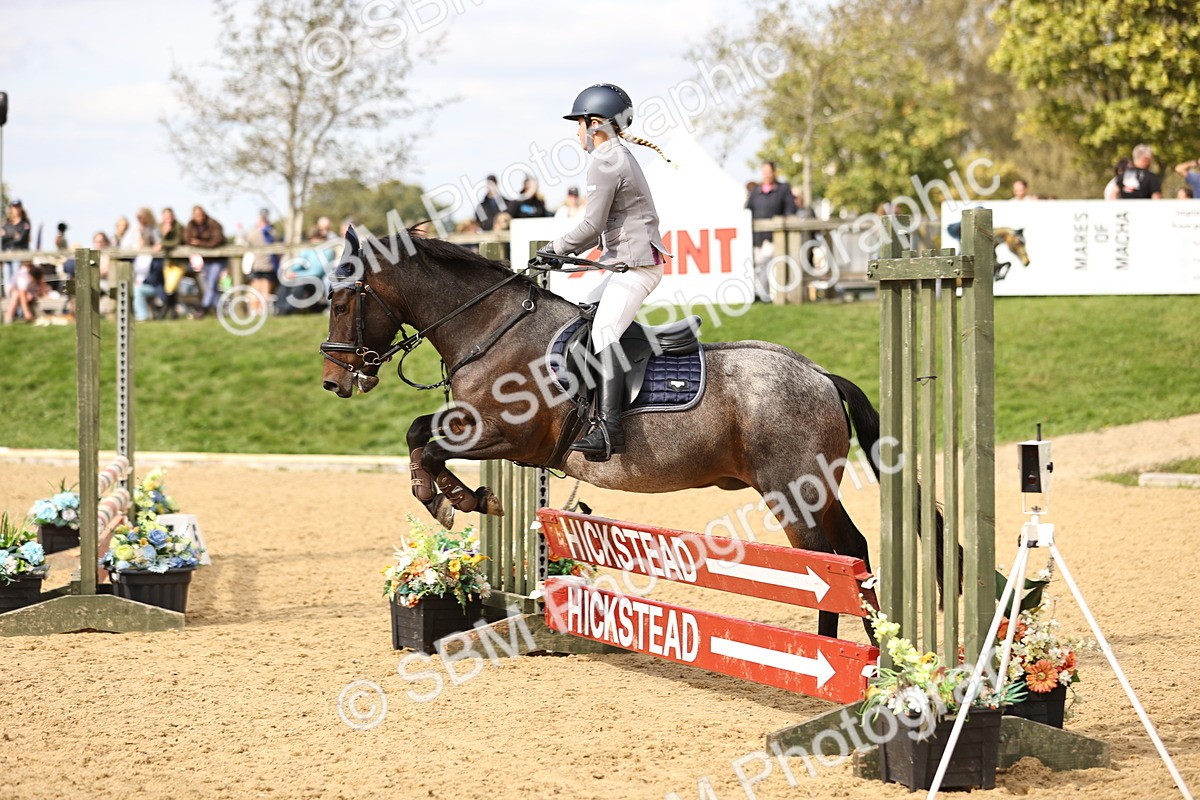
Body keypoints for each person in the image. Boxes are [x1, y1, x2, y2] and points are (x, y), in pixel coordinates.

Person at [538, 83, 672, 461]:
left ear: (595, 123)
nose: (575, 132)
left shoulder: (606, 159)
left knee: (604, 330)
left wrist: (554, 250)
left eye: (578, 123)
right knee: (584, 315)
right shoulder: (615, 155)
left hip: (637, 267)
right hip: (628, 264)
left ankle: (610, 428)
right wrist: (562, 253)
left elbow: (592, 225)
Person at [745, 162, 797, 302]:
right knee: (757, 264)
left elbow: (790, 208)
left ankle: (763, 295)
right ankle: (759, 293)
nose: (767, 174)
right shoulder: (756, 191)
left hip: (774, 235)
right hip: (757, 236)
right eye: (764, 171)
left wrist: (782, 220)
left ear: (774, 172)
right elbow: (748, 209)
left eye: (769, 171)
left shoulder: (782, 188)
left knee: (766, 263)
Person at [184, 205, 227, 318]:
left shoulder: (213, 224)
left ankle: (202, 308)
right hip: (205, 261)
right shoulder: (191, 225)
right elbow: (187, 239)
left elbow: (217, 240)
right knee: (210, 286)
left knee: (212, 283)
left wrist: (200, 243)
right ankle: (220, 310)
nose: (197, 217)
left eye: (199, 214)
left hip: (217, 260)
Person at [2, 199, 32, 297]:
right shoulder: (7, 223)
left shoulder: (25, 223)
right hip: (7, 255)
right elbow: (2, 240)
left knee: (18, 281)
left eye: (18, 207)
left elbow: (21, 239)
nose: (16, 209)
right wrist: (12, 235)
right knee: (7, 282)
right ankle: (9, 305)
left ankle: (18, 310)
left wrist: (7, 235)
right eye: (14, 207)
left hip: (19, 255)